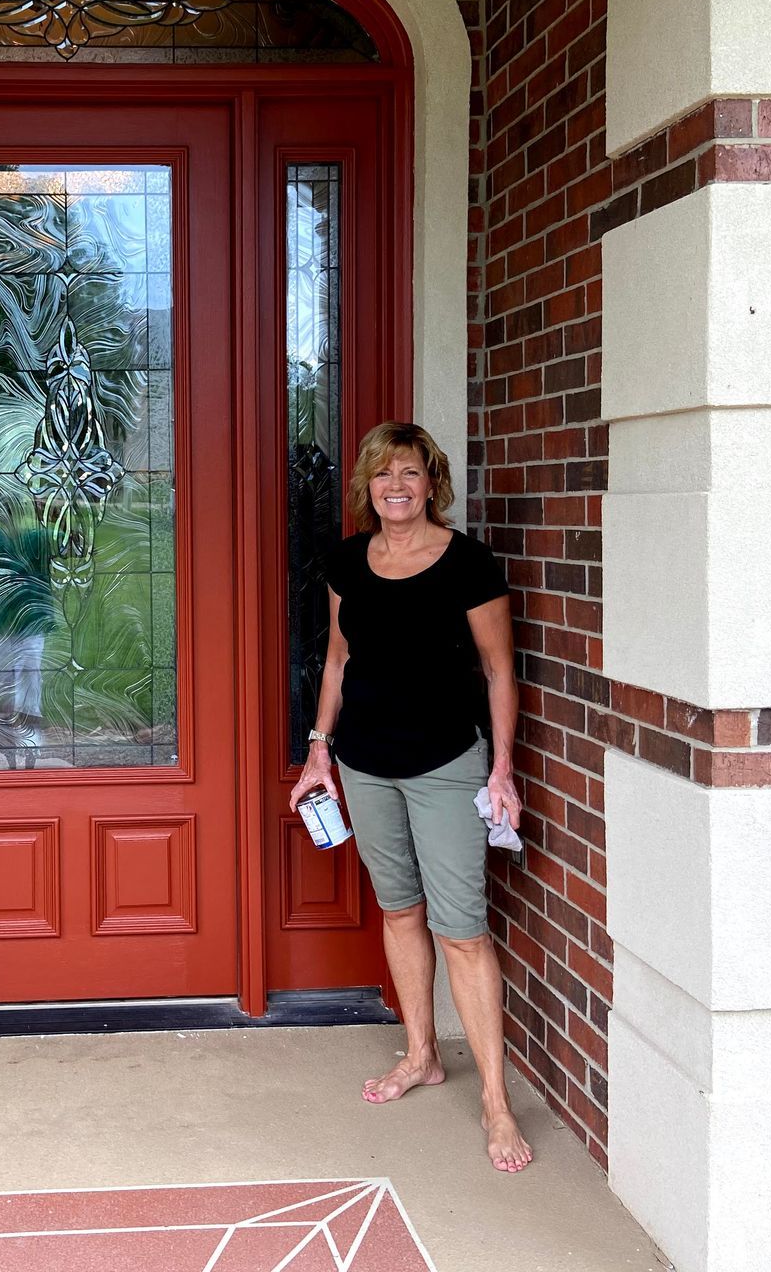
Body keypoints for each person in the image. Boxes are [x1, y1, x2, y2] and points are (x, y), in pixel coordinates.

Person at [290, 420, 534, 1174]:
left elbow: (499, 672)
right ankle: (423, 1054)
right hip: (364, 764)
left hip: (447, 764)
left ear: (432, 483)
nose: (396, 487)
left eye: (410, 473)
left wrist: (501, 769)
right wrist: (318, 751)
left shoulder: (468, 564)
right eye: (382, 475)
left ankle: (496, 1102)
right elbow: (337, 660)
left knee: (462, 930)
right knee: (400, 910)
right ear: (368, 487)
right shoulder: (346, 563)